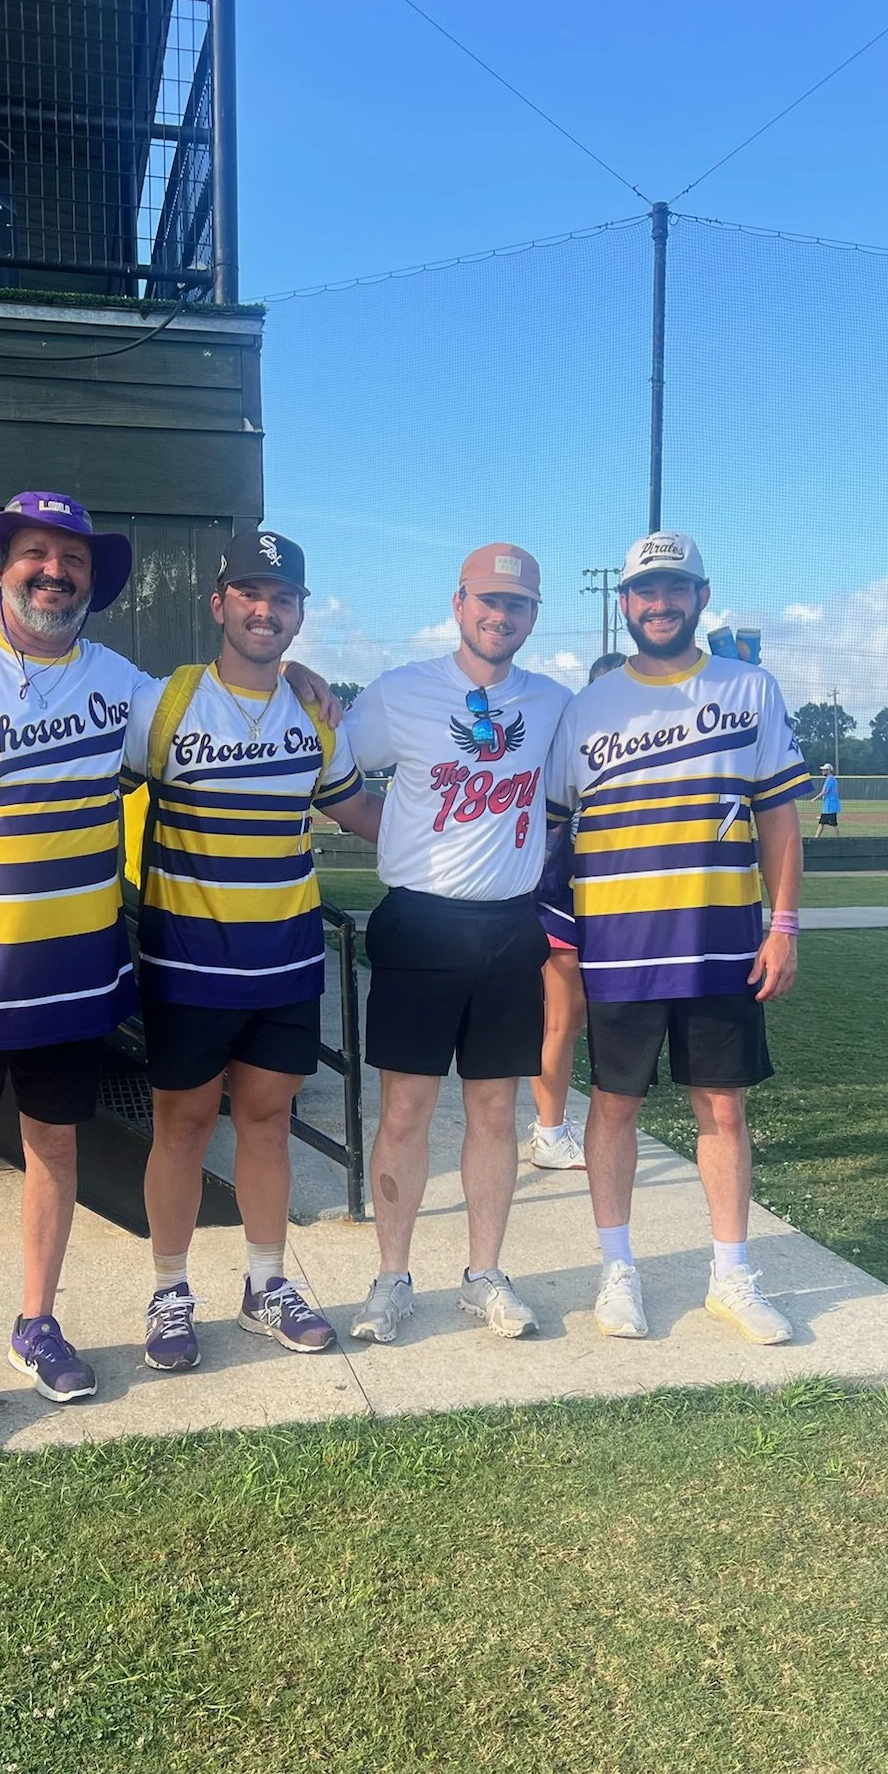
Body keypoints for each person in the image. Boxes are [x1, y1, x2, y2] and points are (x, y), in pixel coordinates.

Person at [0, 494, 342, 1456]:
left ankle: (38, 1324)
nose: (53, 573)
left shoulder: (123, 688)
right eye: (34, 555)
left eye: (71, 561)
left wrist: (299, 675)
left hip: (73, 977)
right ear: (1, 567)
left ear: (91, 581)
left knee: (56, 1156)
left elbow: (223, 702)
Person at [545, 530, 811, 1347]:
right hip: (618, 946)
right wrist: (563, 949)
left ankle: (731, 1276)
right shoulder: (585, 708)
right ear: (624, 603)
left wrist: (785, 924)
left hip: (722, 943)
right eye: (643, 592)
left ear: (700, 597)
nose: (658, 604)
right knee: (614, 1106)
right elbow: (557, 834)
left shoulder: (750, 689)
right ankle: (615, 1270)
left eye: (674, 589)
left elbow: (779, 814)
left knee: (722, 1110)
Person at [125, 530, 382, 1371]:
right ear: (219, 604)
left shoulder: (315, 713)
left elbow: (360, 814)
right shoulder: (161, 705)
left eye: (282, 597)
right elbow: (82, 789)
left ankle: (265, 1285)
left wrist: (483, 830)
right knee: (184, 1125)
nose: (264, 609)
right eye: (249, 593)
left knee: (268, 1122)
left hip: (284, 959)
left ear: (301, 615)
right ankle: (169, 1293)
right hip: (186, 961)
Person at [342, 544, 572, 1343]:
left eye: (517, 605)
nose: (499, 616)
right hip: (420, 920)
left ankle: (484, 1276)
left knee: (495, 1110)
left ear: (534, 616)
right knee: (404, 1111)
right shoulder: (401, 692)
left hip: (511, 926)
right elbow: (337, 776)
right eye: (488, 601)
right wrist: (394, 832)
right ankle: (391, 1280)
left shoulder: (551, 703)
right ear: (458, 602)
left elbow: (572, 794)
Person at [527, 650, 627, 1170]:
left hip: (596, 906)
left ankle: (547, 1121)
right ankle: (549, 1133)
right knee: (560, 1025)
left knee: (572, 1019)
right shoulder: (571, 748)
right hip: (556, 901)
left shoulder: (625, 751)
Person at [814, 762, 841, 837]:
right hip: (827, 807)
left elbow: (824, 792)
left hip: (830, 807)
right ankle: (816, 838)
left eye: (824, 770)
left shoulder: (830, 780)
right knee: (821, 823)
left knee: (834, 824)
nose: (822, 771)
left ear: (828, 770)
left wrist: (814, 799)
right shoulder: (831, 779)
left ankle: (838, 839)